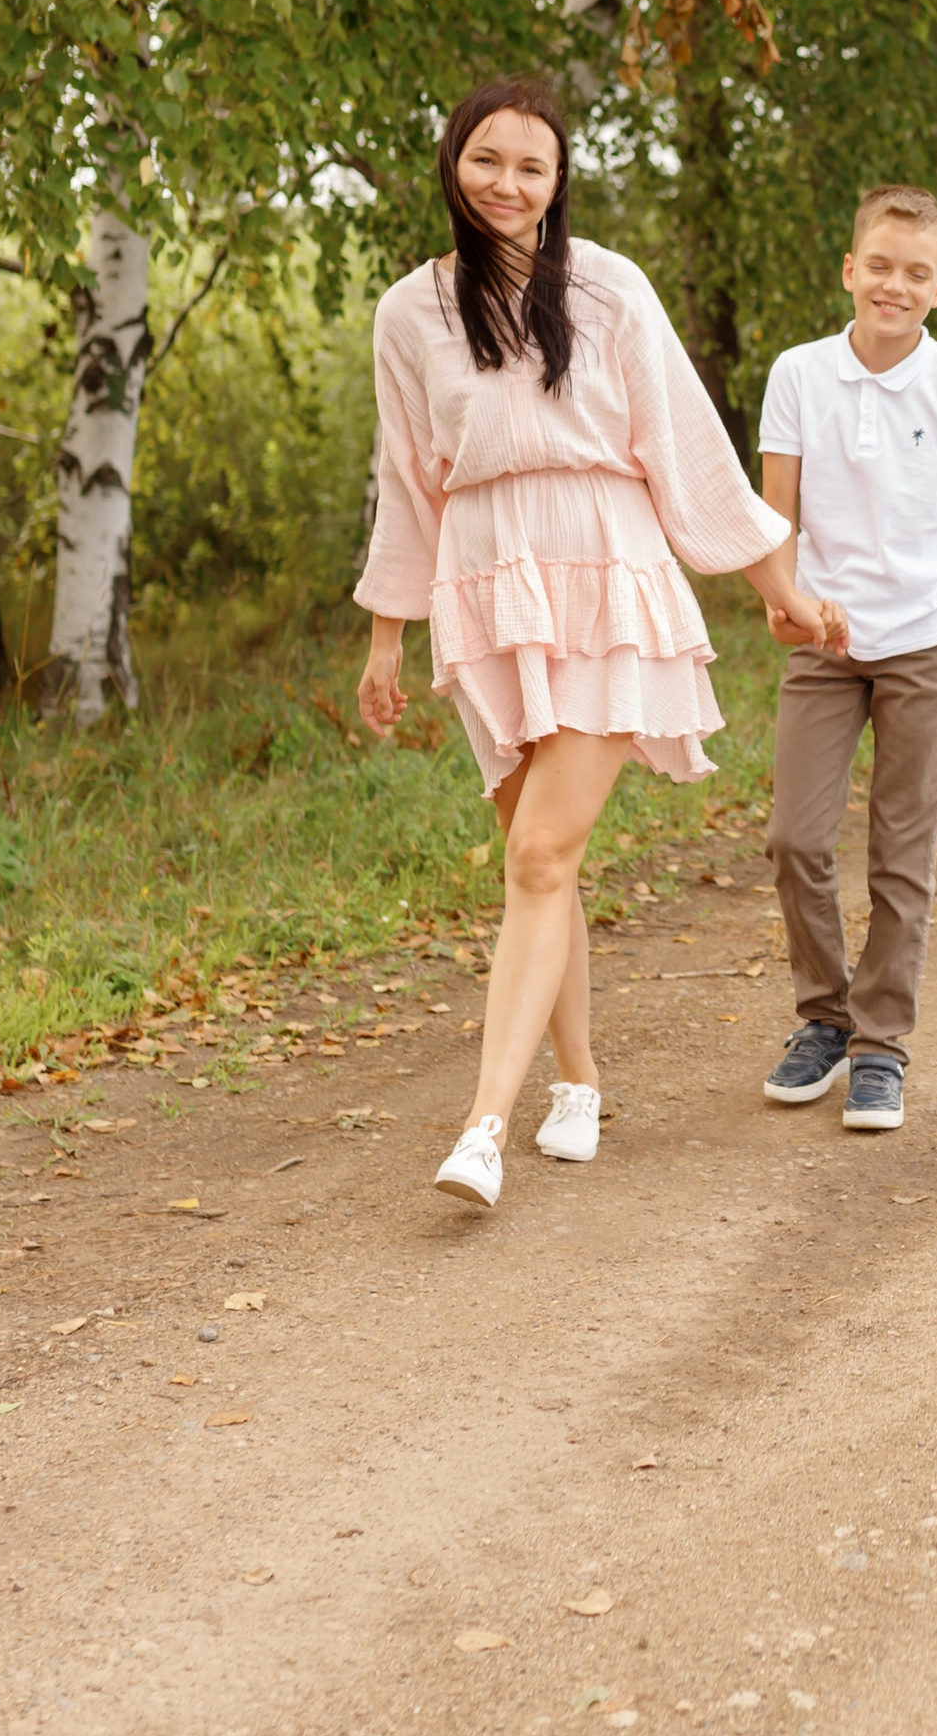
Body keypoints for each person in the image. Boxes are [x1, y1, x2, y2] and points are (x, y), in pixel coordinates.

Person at [354, 75, 846, 1211]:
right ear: (453, 163)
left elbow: (688, 449)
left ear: (559, 179)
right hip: (488, 585)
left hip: (607, 578)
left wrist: (783, 588)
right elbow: (406, 479)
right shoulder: (408, 311)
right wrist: (386, 639)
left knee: (538, 857)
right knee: (541, 860)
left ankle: (482, 1126)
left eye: (532, 166)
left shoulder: (609, 287)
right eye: (487, 159)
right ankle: (576, 1081)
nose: (507, 184)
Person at [754, 185, 937, 1135]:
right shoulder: (798, 374)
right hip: (825, 642)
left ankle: (881, 1047)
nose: (895, 286)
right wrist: (783, 601)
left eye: (917, 272)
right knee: (795, 839)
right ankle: (825, 1017)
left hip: (928, 646)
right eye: (881, 267)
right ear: (850, 270)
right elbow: (776, 517)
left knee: (902, 856)